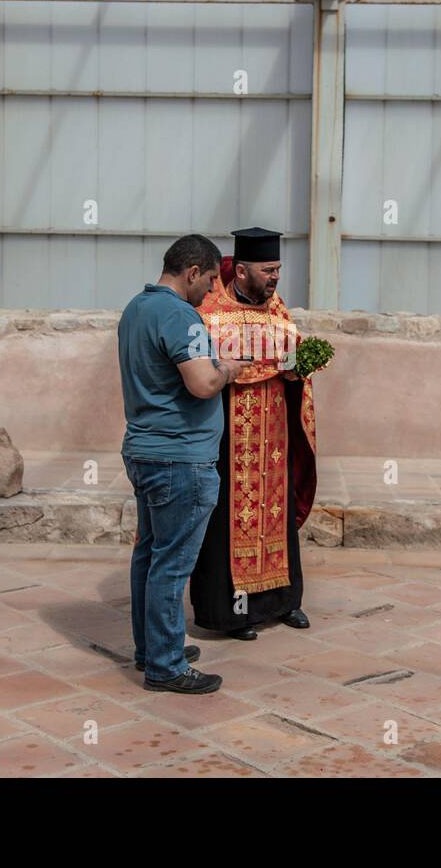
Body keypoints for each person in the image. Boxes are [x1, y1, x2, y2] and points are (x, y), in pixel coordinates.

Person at [117, 234, 247, 694]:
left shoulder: (135, 308)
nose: (213, 291)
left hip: (144, 450)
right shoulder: (179, 314)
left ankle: (151, 647)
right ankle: (167, 665)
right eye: (211, 280)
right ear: (192, 272)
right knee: (172, 564)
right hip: (180, 457)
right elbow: (202, 384)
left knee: (149, 556)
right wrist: (228, 368)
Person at [189, 227, 318, 641]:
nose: (276, 277)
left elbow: (291, 362)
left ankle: (283, 602)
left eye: (278, 269)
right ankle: (234, 613)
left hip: (275, 437)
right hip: (230, 440)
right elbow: (205, 369)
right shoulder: (210, 312)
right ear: (241, 271)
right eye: (268, 270)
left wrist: (300, 369)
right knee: (227, 520)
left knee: (275, 517)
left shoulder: (278, 311)